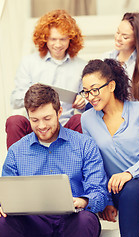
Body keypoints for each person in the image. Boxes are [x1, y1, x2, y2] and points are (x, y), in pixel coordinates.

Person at [0, 83, 111, 237]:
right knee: (1, 224)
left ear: (59, 112)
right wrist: (3, 207)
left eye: (47, 118)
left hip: (72, 220)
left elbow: (99, 192)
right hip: (33, 222)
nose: (41, 126)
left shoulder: (84, 145)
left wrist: (83, 201)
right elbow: (7, 197)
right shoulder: (16, 151)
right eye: (34, 120)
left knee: (85, 220)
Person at [80, 59, 139, 237]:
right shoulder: (87, 119)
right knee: (131, 188)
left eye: (94, 89)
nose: (90, 97)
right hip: (121, 189)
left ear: (111, 85)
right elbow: (93, 163)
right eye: (86, 92)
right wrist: (106, 200)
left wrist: (129, 173)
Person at [6, 9, 87, 149]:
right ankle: (16, 168)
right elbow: (14, 100)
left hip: (65, 127)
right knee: (14, 121)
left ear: (71, 39)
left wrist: (83, 102)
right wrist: (31, 92)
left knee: (80, 120)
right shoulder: (29, 62)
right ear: (45, 39)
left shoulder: (81, 66)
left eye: (63, 39)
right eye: (53, 39)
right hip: (36, 126)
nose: (58, 44)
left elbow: (90, 101)